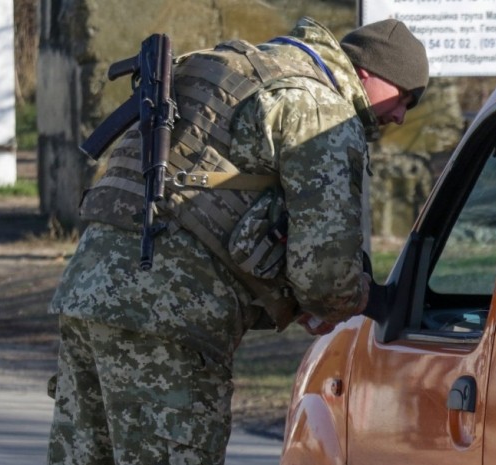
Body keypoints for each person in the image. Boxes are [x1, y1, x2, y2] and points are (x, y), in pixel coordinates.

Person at [46, 17, 428, 465]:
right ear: (369, 73)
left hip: (87, 292)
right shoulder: (320, 110)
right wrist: (352, 302)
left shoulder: (236, 67)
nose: (400, 115)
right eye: (405, 97)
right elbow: (326, 275)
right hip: (170, 317)